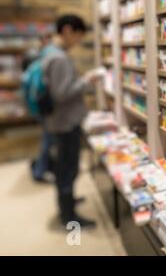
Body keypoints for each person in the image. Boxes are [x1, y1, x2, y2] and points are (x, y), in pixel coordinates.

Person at [43, 15, 102, 228]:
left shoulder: (52, 52)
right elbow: (62, 93)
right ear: (68, 30)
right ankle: (68, 215)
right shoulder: (58, 57)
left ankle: (67, 203)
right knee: (68, 167)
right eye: (78, 35)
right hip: (65, 122)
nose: (78, 41)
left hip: (60, 120)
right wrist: (86, 81)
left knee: (65, 165)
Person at [23, 33, 56, 183]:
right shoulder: (39, 64)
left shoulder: (34, 63)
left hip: (37, 109)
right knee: (48, 140)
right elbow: (38, 91)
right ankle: (40, 171)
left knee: (48, 139)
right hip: (43, 110)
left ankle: (44, 167)